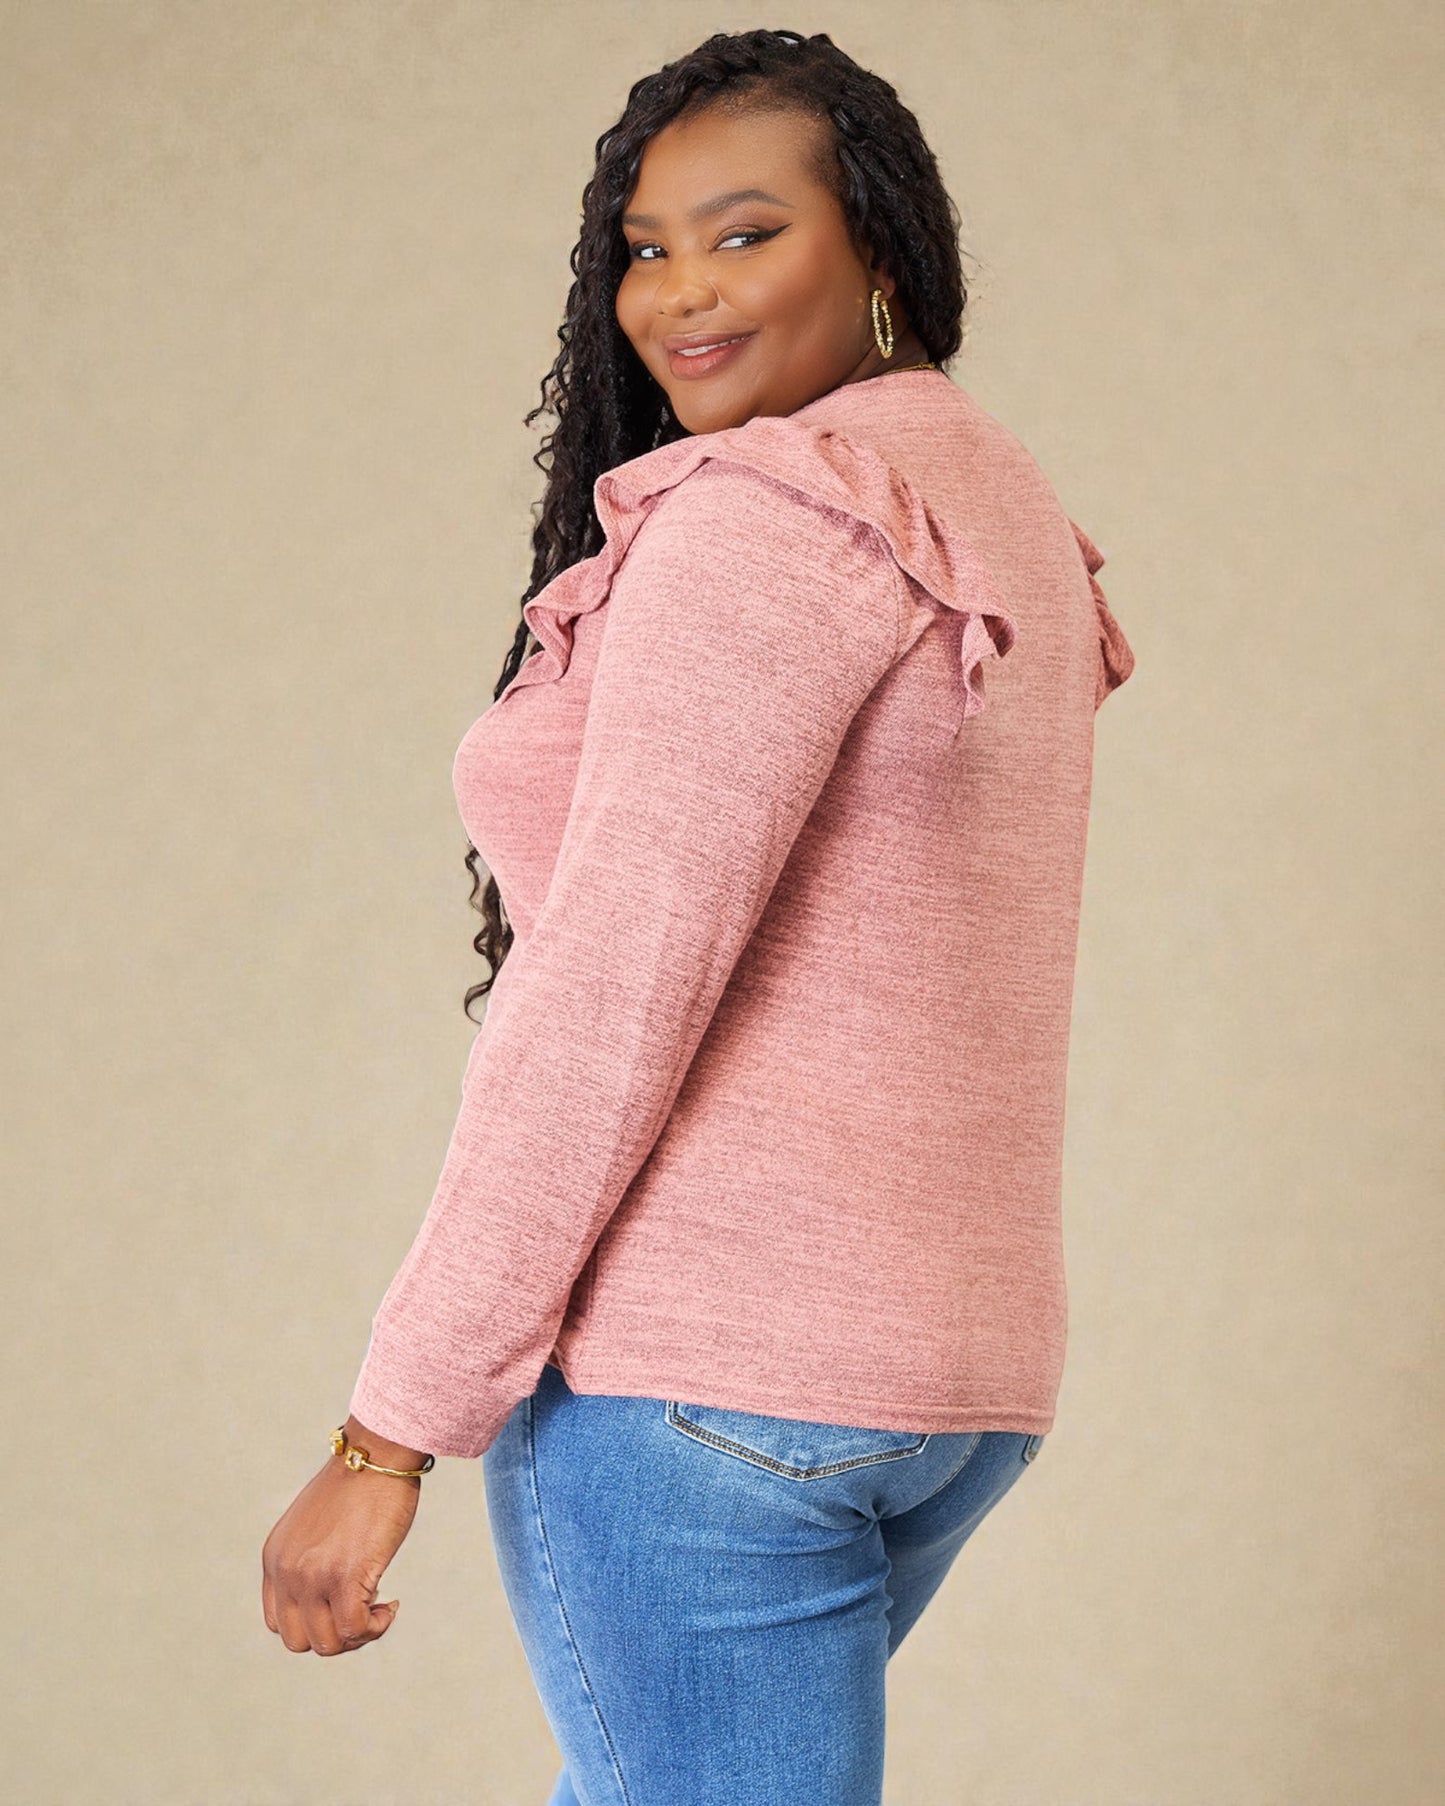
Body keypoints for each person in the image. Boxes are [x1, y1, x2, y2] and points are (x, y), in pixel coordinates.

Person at [261, 28, 1135, 1806]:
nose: (679, 293)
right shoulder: (1000, 504)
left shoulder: (771, 519)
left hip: (710, 1392)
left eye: (746, 234)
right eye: (644, 249)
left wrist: (388, 1431)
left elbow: (607, 994)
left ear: (878, 246)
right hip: (946, 1375)